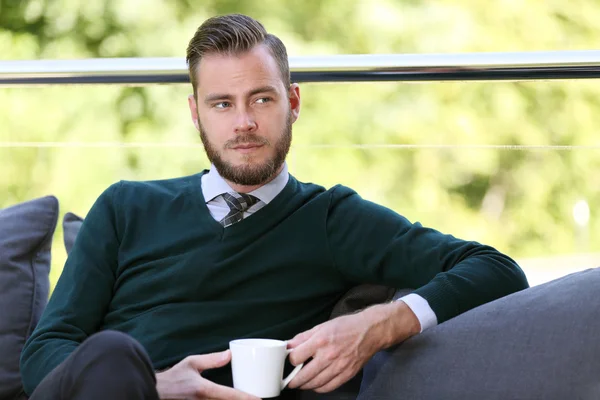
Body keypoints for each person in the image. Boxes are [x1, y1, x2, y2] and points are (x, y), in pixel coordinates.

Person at [20, 13, 528, 400]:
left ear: (294, 103)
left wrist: (379, 324)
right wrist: (153, 385)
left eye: (262, 99)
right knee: (111, 354)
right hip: (122, 387)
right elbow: (45, 352)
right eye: (223, 104)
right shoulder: (125, 206)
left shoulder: (331, 219)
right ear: (196, 114)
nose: (243, 122)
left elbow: (497, 270)